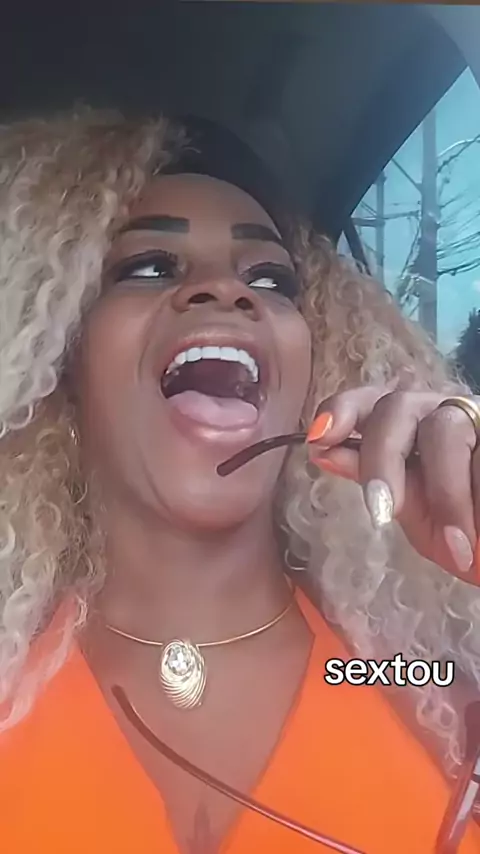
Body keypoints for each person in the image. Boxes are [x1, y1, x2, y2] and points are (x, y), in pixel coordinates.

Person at [1, 107, 480, 854]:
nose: (225, 290)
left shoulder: (427, 688)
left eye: (269, 279)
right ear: (63, 363)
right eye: (149, 267)